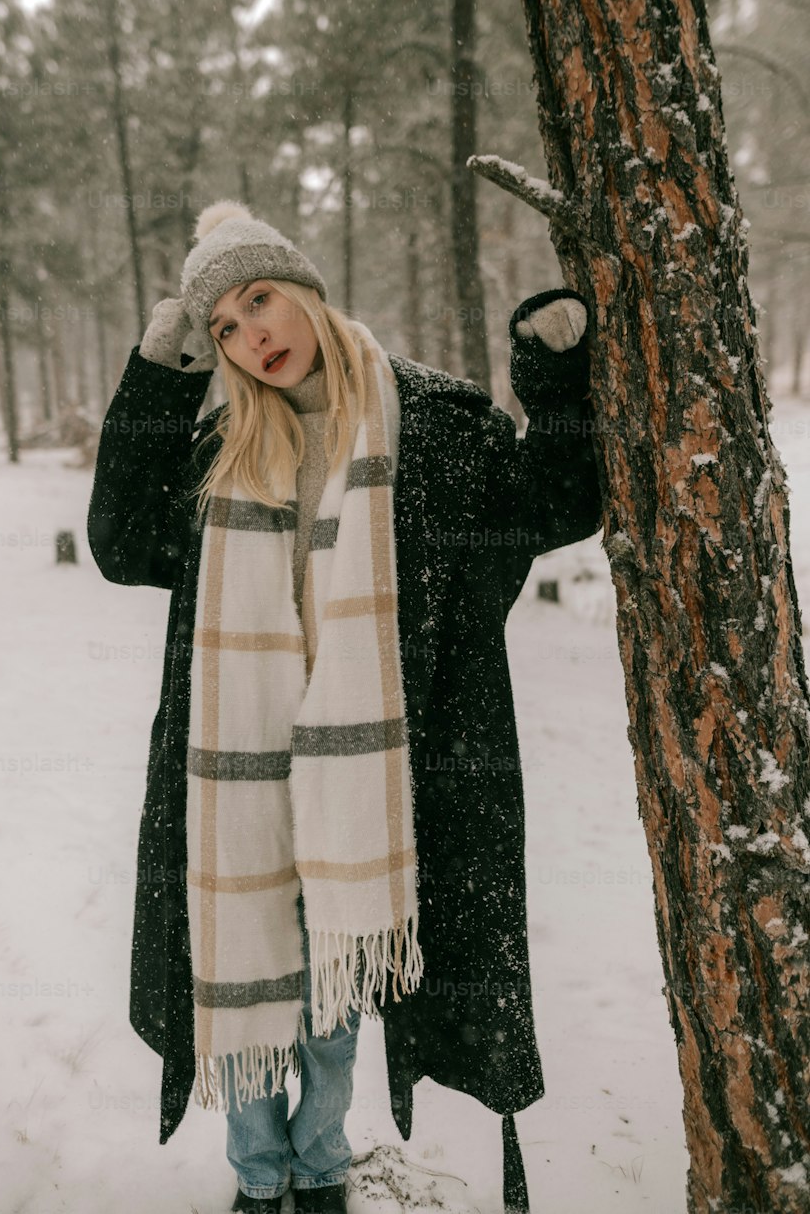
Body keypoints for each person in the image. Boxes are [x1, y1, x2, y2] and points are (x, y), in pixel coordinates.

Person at [87, 201, 605, 1214]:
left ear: (307, 291)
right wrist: (160, 373)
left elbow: (557, 502)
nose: (251, 335)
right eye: (225, 325)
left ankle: (318, 1166)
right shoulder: (219, 454)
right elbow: (116, 541)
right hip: (240, 777)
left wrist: (549, 376)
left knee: (332, 994)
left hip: (372, 774)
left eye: (261, 300)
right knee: (243, 982)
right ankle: (255, 1174)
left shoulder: (435, 430)